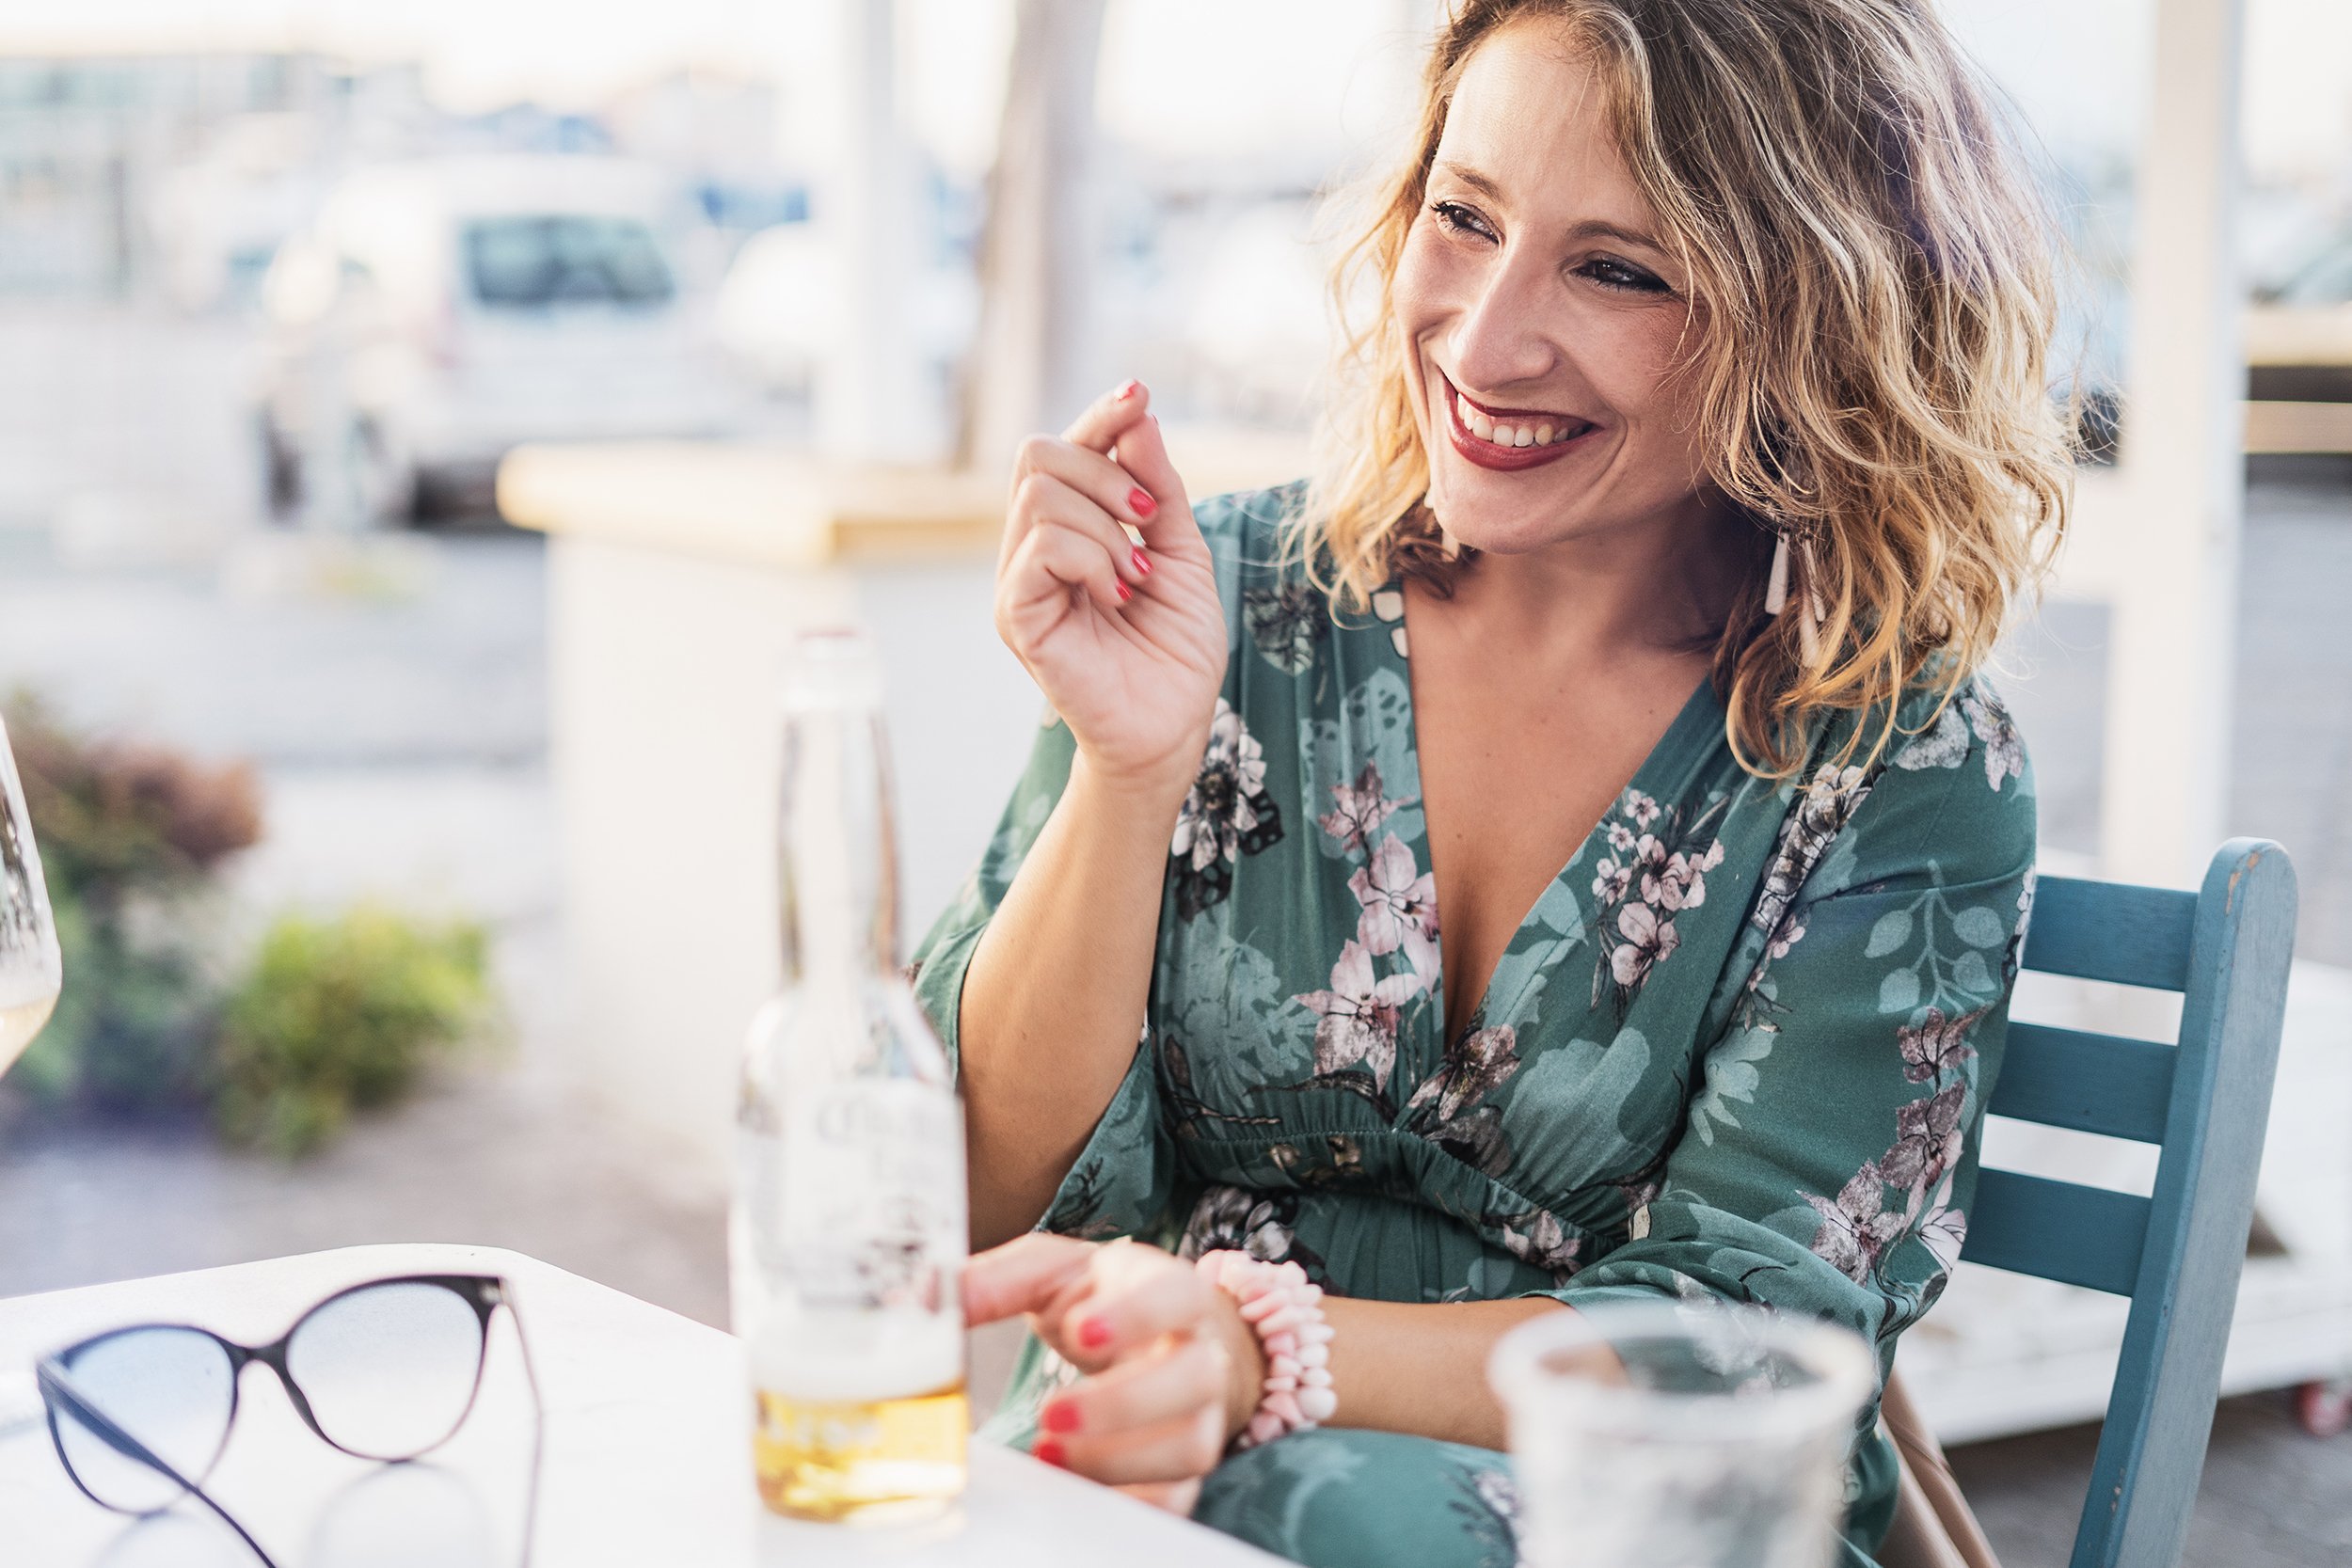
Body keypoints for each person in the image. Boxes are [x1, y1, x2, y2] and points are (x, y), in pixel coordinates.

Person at [916, 2, 2071, 1563]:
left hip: (1646, 1514)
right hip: (1152, 1474)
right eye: (1463, 217)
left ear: (1814, 317)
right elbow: (956, 1178)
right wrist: (1130, 773)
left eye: (1618, 268)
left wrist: (1258, 1350)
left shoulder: (1898, 755)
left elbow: (1742, 1342)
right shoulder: (1232, 594)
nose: (1484, 337)